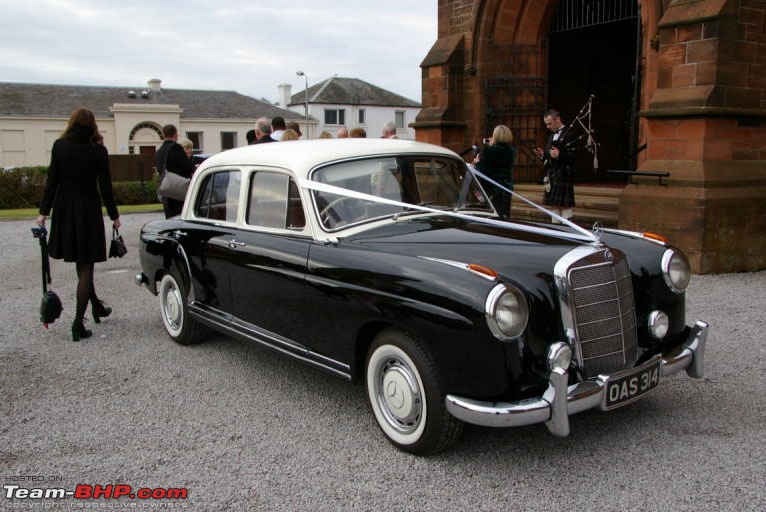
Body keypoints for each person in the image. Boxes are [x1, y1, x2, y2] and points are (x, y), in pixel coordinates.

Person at [36, 108, 121, 342]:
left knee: (81, 263)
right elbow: (105, 187)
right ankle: (77, 324)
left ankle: (96, 308)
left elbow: (52, 181)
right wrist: (114, 215)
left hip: (65, 209)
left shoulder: (59, 146)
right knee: (86, 266)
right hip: (88, 209)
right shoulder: (98, 150)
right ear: (92, 125)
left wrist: (43, 212)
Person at [533, 109, 576, 222]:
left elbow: (574, 156)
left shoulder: (569, 133)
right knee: (554, 205)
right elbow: (549, 158)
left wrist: (559, 155)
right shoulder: (551, 136)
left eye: (549, 123)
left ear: (557, 119)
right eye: (546, 124)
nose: (547, 127)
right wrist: (542, 155)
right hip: (552, 175)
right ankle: (556, 230)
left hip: (563, 174)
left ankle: (568, 230)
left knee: (565, 206)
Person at [473, 125, 517, 219]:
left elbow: (482, 171)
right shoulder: (511, 151)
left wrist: (477, 163)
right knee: (504, 214)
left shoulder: (489, 151)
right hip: (506, 187)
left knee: (492, 216)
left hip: (492, 188)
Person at [156, 124, 194, 219]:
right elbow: (187, 167)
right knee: (180, 218)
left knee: (170, 219)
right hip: (178, 190)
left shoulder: (159, 151)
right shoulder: (175, 148)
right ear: (175, 134)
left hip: (166, 191)